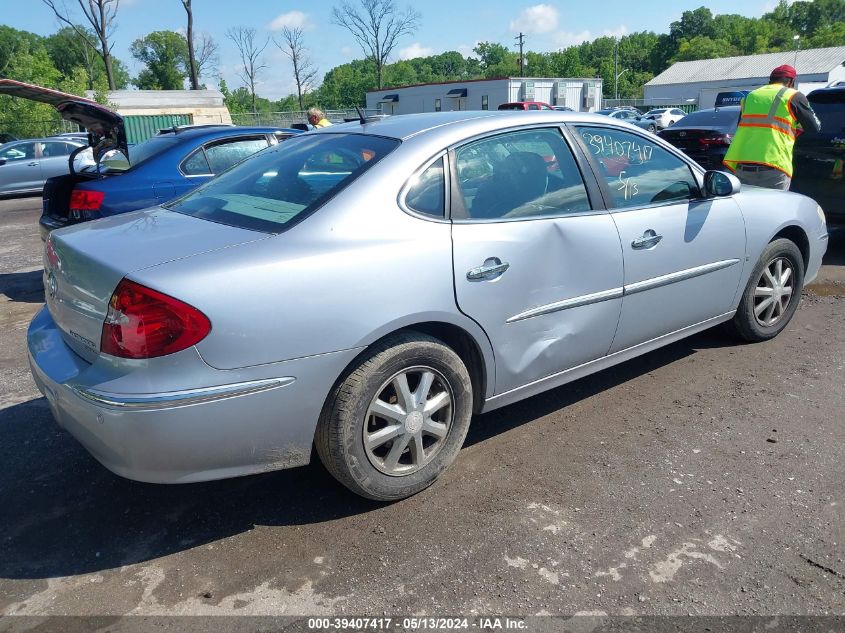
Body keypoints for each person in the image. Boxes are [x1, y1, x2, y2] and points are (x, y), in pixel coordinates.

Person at [723, 64, 821, 190]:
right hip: (774, 165)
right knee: (774, 208)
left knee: (749, 208)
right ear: (791, 81)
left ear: (771, 80)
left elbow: (742, 127)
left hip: (742, 165)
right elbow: (814, 127)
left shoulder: (750, 96)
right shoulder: (793, 95)